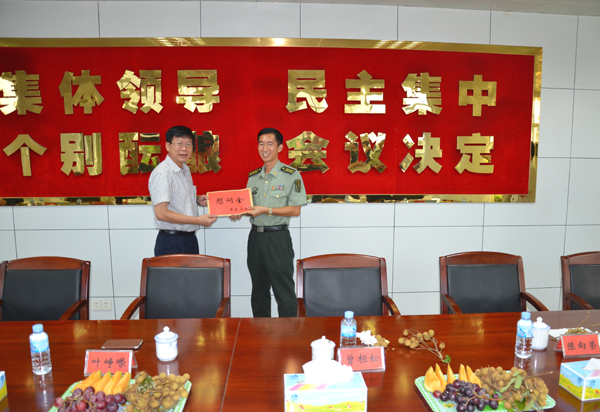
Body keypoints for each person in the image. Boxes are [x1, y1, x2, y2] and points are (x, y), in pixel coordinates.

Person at [231, 128, 307, 317]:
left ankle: (289, 332)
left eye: (270, 144)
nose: (264, 148)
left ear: (279, 147)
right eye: (261, 143)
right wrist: (238, 212)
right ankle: (261, 332)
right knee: (258, 290)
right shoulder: (253, 177)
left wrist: (267, 210)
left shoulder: (291, 175)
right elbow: (251, 208)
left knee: (284, 291)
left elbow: (295, 210)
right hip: (255, 238)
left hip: (277, 238)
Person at [149, 125, 217, 256]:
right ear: (168, 146)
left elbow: (177, 199)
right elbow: (161, 213)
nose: (184, 149)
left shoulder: (184, 169)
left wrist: (197, 200)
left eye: (188, 144)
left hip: (189, 240)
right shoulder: (163, 172)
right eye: (179, 144)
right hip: (172, 242)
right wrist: (198, 220)